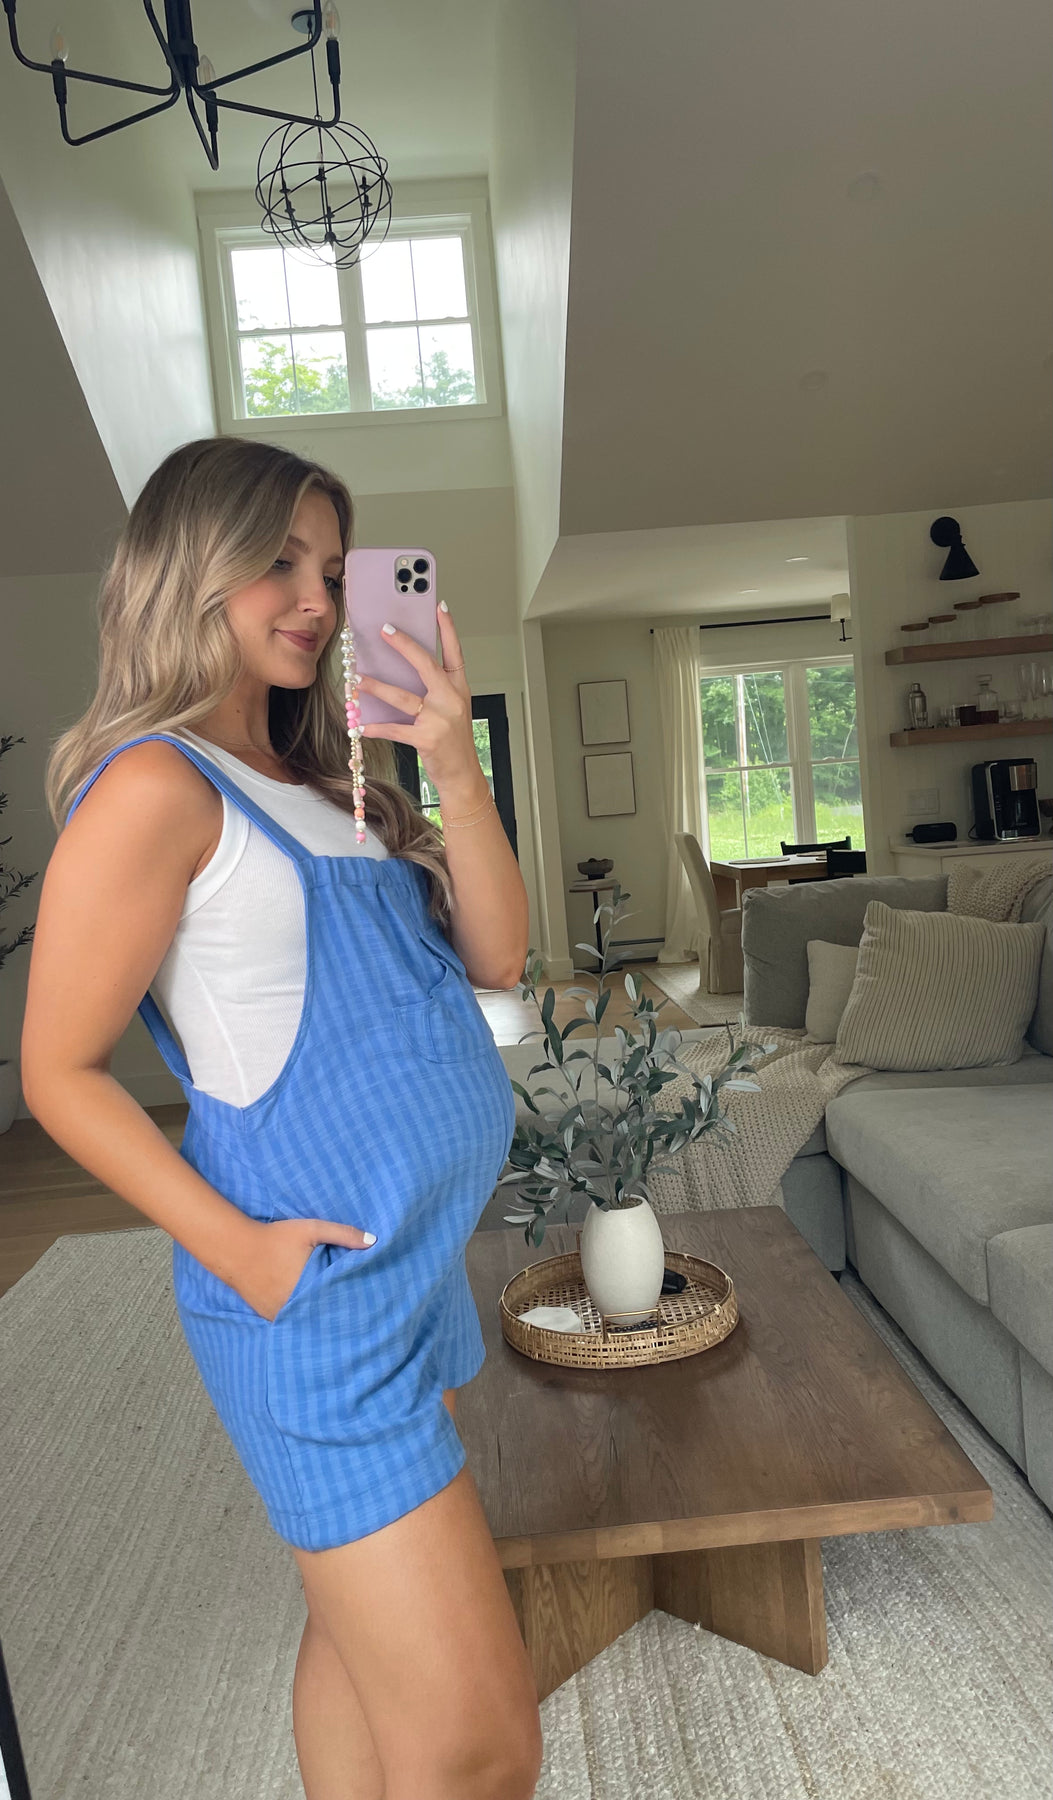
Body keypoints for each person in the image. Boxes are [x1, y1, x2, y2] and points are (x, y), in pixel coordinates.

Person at [20, 436, 544, 1800]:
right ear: (187, 570)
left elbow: (497, 958)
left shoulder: (333, 788)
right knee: (483, 1753)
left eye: (333, 566)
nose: (316, 597)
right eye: (277, 561)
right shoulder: (157, 786)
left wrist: (454, 766)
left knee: (355, 1638)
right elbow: (59, 1072)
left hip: (411, 1278)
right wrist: (243, 1253)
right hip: (316, 1309)